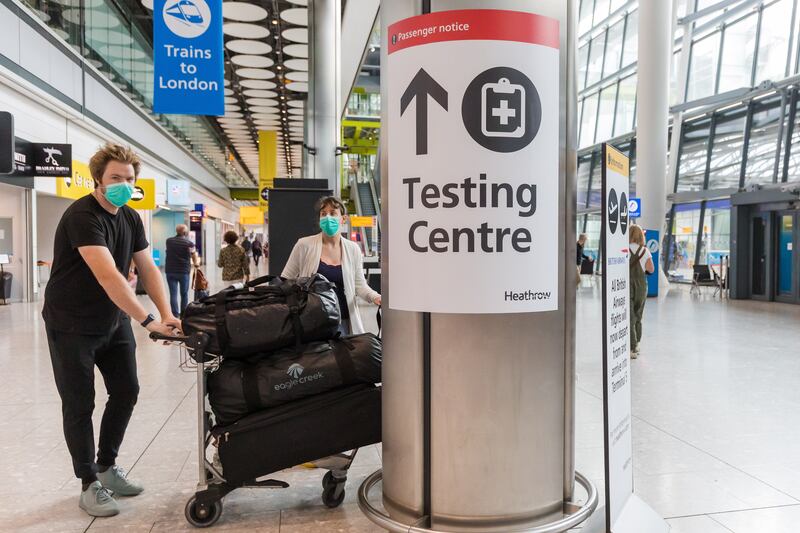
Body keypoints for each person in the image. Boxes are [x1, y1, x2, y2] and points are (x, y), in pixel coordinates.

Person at [42, 143, 180, 518]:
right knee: (79, 402)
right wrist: (148, 321)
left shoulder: (132, 217)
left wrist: (166, 314)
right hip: (71, 323)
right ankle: (88, 482)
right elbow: (108, 276)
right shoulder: (81, 216)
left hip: (112, 320)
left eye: (129, 179)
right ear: (98, 181)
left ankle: (107, 466)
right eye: (115, 178)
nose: (123, 184)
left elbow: (147, 268)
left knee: (126, 390)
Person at [282, 196, 381, 335]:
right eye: (323, 214)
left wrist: (375, 297)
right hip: (312, 322)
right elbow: (285, 279)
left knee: (344, 357)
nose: (328, 217)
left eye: (333, 213)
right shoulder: (304, 245)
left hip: (344, 321)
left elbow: (359, 285)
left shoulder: (353, 249)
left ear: (343, 219)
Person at [629, 225, 655, 359]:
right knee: (638, 315)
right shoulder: (645, 251)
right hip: (641, 286)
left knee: (630, 316)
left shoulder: (624, 251)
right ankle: (636, 343)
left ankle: (632, 347)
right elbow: (651, 269)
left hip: (626, 286)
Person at [164, 224, 199, 317]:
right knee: (184, 294)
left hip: (170, 271)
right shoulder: (189, 243)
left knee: (173, 294)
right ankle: (183, 314)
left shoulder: (169, 241)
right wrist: (196, 264)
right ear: (184, 232)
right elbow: (193, 254)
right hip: (183, 271)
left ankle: (175, 314)